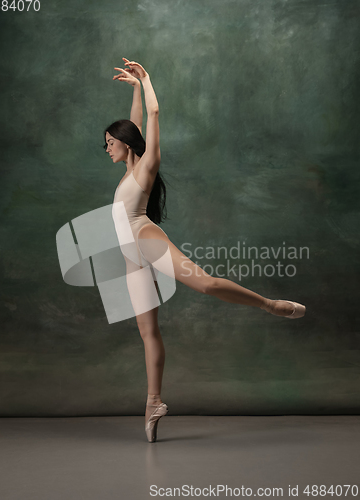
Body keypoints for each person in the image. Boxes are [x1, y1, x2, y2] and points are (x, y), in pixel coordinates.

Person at [104, 58, 306, 443]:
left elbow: (153, 113)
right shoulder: (128, 171)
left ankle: (270, 305)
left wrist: (146, 81)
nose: (107, 149)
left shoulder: (146, 167)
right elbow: (135, 123)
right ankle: (153, 403)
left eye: (110, 143)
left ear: (126, 146)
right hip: (131, 257)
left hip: (145, 238)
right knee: (148, 332)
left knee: (208, 285)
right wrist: (132, 87)